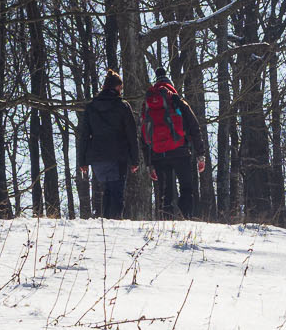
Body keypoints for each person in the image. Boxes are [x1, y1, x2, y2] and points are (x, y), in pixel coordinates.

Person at [141, 67, 204, 219]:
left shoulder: (148, 104)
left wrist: (149, 163)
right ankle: (185, 219)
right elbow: (194, 127)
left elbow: (143, 135)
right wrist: (200, 155)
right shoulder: (177, 100)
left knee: (165, 192)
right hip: (180, 151)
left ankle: (166, 222)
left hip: (158, 153)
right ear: (170, 85)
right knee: (186, 188)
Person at [75, 69, 137, 219]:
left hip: (97, 156)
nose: (121, 91)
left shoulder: (91, 107)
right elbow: (131, 134)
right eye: (120, 88)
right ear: (116, 87)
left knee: (106, 191)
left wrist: (82, 160)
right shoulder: (123, 106)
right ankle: (114, 226)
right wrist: (135, 159)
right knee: (117, 193)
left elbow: (84, 135)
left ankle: (106, 224)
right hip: (118, 154)